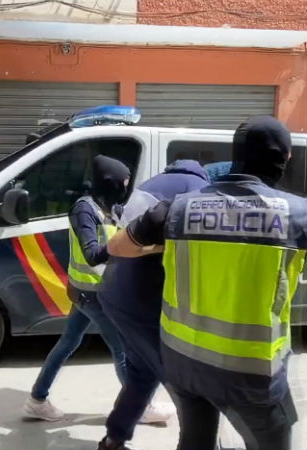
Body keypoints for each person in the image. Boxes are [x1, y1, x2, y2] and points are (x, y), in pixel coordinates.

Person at [107, 116, 304, 450]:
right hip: (251, 372)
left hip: (184, 363)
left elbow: (117, 246)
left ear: (236, 155)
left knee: (196, 441)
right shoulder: (295, 214)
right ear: (284, 157)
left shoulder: (177, 209)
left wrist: (164, 243)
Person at [23, 155, 150, 423]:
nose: (126, 187)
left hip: (91, 292)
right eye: (123, 182)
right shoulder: (84, 209)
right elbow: (92, 253)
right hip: (92, 296)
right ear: (110, 182)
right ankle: (138, 407)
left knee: (67, 343)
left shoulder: (109, 208)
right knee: (123, 351)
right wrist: (126, 249)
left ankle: (37, 399)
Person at [95, 160, 209, 450]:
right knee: (186, 386)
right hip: (141, 298)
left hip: (113, 291)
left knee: (141, 374)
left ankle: (113, 439)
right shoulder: (198, 192)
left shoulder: (149, 186)